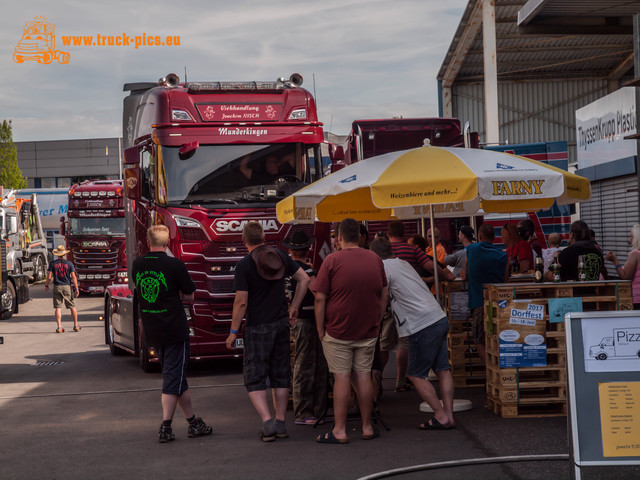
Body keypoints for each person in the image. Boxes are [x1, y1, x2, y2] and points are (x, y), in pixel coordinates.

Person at [226, 221, 310, 442]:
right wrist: (294, 307)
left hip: (257, 327)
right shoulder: (281, 256)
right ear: (264, 237)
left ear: (244, 241)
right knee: (280, 373)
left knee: (255, 375)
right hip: (281, 324)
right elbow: (304, 279)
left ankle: (267, 422)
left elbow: (241, 302)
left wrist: (233, 331)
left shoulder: (244, 265)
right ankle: (281, 422)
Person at [131, 225, 212, 443]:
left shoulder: (137, 264)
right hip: (174, 328)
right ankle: (166, 427)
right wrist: (176, 294)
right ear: (168, 243)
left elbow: (139, 291)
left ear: (148, 242)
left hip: (152, 329)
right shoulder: (175, 264)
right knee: (172, 378)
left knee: (177, 378)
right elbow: (190, 296)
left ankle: (194, 423)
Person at [314, 218, 388, 444]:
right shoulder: (375, 259)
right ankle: (367, 426)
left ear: (339, 237)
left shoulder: (332, 261)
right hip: (368, 329)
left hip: (338, 329)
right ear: (359, 235)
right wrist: (377, 316)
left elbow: (319, 298)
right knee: (363, 375)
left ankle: (340, 430)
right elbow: (384, 292)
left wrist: (320, 329)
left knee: (342, 377)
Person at [369, 237, 455, 430]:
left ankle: (440, 416)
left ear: (375, 255)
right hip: (438, 317)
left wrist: (377, 320)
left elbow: (383, 296)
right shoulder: (404, 263)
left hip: (421, 324)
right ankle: (449, 415)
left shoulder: (383, 268)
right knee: (443, 370)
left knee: (416, 374)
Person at [385, 221, 454, 393]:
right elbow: (433, 268)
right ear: (403, 234)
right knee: (405, 343)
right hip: (412, 307)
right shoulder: (412, 250)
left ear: (388, 234)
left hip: (388, 303)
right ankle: (403, 378)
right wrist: (443, 276)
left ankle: (379, 379)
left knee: (383, 345)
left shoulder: (384, 253)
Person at [283, 231, 329, 426]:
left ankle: (309, 410)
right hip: (309, 320)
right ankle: (308, 411)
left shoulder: (286, 271)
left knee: (306, 364)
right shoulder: (308, 272)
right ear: (308, 249)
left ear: (291, 250)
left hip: (296, 320)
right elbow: (318, 293)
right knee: (313, 365)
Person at [466, 223, 510, 362]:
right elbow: (506, 280)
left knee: (479, 339)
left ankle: (489, 369)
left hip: (479, 302)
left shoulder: (472, 249)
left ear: (479, 236)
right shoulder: (503, 256)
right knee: (498, 337)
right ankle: (498, 366)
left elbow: (465, 272)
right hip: (499, 303)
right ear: (494, 238)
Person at [44, 245, 80, 333]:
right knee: (72, 306)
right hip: (67, 286)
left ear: (57, 254)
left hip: (57, 286)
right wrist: (77, 288)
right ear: (64, 254)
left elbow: (49, 276)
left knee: (58, 307)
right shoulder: (69, 263)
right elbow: (73, 277)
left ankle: (59, 327)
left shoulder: (52, 263)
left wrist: (46, 285)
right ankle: (75, 325)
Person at [606, 224, 640, 309]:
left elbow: (626, 277)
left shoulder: (635, 255)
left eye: (631, 236)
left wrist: (615, 261)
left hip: (636, 299)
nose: (630, 240)